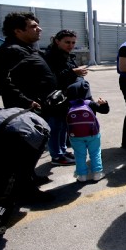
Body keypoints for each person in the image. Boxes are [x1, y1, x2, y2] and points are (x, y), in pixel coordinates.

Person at [0, 11, 58, 202]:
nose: (39, 29)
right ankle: (25, 190)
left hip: (37, 106)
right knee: (25, 149)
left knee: (35, 146)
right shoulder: (11, 50)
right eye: (33, 26)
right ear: (18, 30)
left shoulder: (26, 47)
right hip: (25, 110)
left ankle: (31, 177)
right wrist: (25, 101)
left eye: (38, 25)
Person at [43, 30, 90, 166]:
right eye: (67, 42)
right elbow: (51, 77)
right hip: (55, 97)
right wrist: (72, 72)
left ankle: (62, 150)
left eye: (73, 42)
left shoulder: (65, 54)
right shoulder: (50, 56)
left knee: (63, 125)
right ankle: (56, 156)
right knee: (56, 127)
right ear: (57, 41)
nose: (71, 45)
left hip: (66, 96)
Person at [65, 80, 110, 182]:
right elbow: (105, 111)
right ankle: (97, 173)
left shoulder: (67, 105)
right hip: (92, 134)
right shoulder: (90, 103)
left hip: (75, 135)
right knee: (95, 153)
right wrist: (104, 104)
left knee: (79, 154)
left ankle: (81, 176)